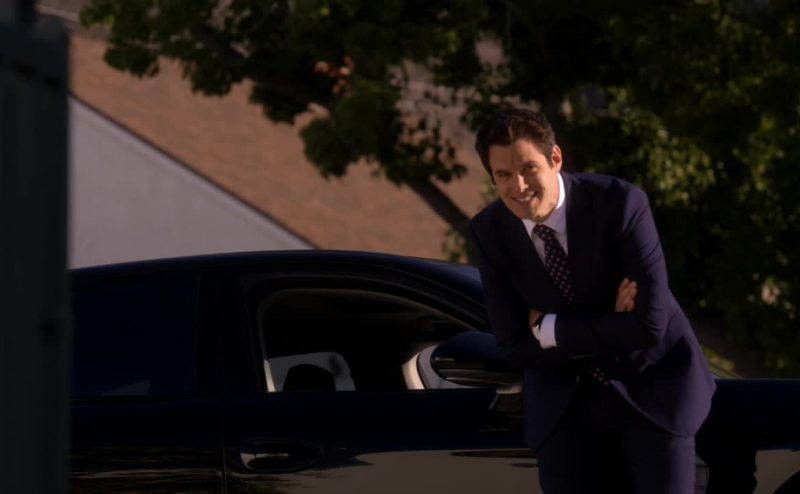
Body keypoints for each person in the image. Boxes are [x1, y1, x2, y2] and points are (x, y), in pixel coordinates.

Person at [470, 108, 716, 493]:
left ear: (555, 158)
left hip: (651, 392)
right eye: (503, 175)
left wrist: (550, 329)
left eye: (528, 168)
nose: (518, 185)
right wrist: (610, 323)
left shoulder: (620, 204)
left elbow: (649, 325)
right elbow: (514, 346)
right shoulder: (490, 231)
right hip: (566, 409)